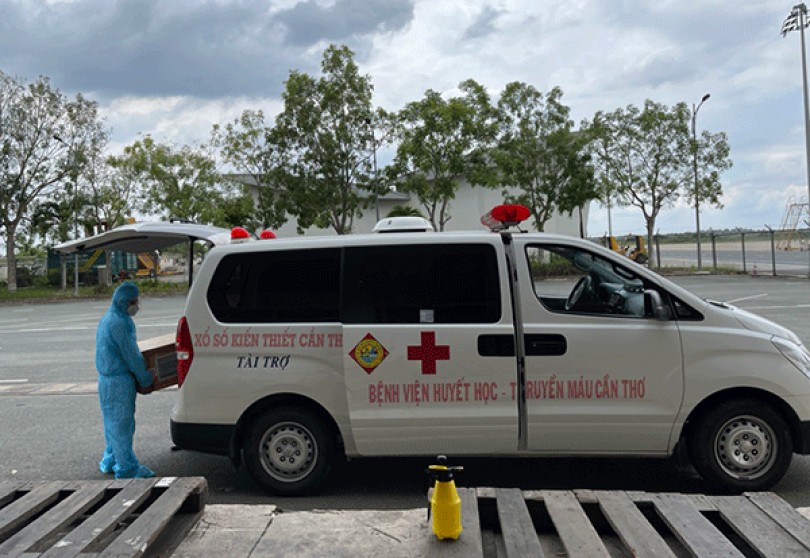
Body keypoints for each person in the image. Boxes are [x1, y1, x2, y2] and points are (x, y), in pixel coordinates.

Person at [95, 281, 155, 478]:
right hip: (119, 382)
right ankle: (127, 468)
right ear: (123, 301)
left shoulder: (108, 319)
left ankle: (111, 459)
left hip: (106, 381)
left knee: (111, 424)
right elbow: (131, 355)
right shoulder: (120, 323)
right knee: (122, 426)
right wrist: (145, 379)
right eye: (133, 302)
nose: (136, 306)